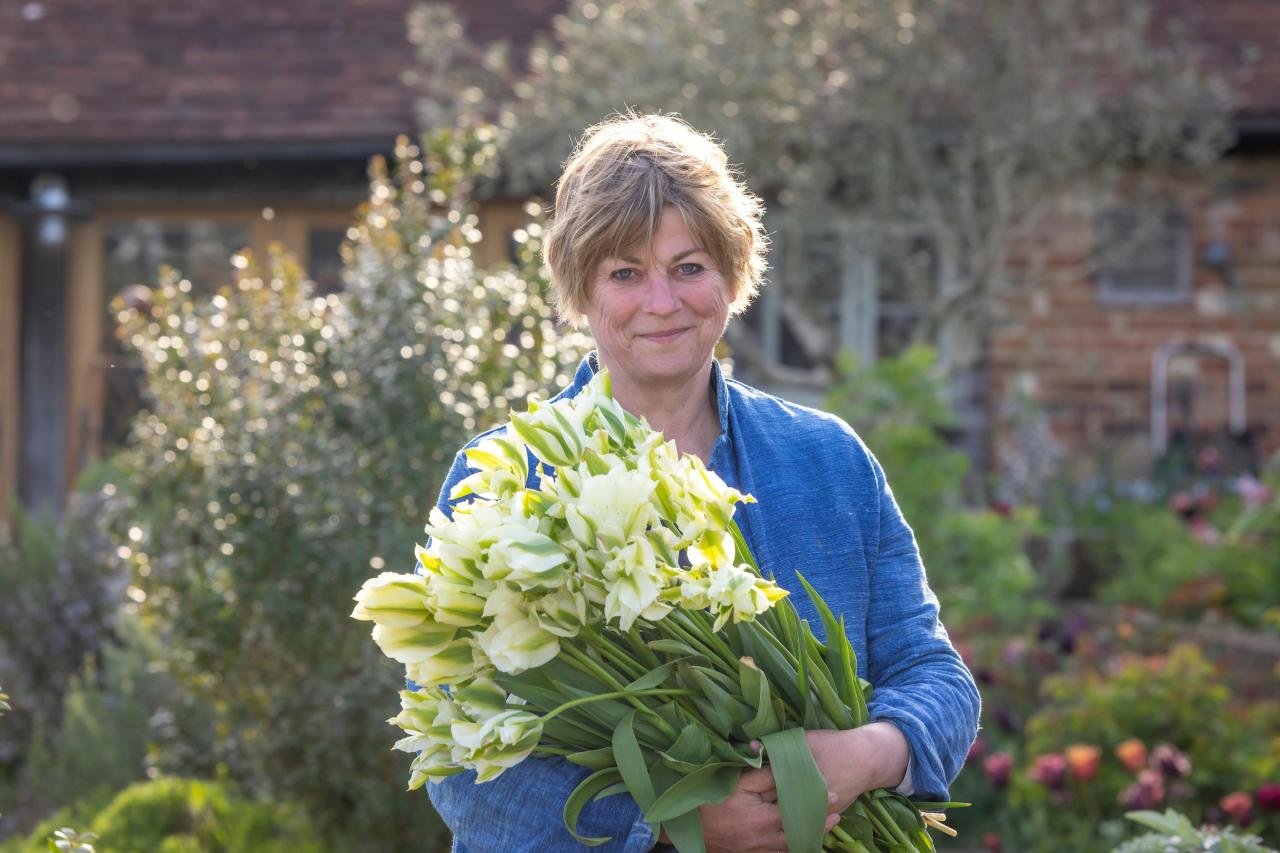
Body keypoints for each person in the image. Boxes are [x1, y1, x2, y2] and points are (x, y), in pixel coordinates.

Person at [425, 113, 981, 853]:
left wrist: (868, 753)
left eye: (688, 267)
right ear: (581, 289)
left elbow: (932, 671)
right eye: (626, 273)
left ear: (732, 273)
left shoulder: (826, 462)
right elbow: (458, 752)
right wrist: (668, 821)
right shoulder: (507, 478)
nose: (662, 301)